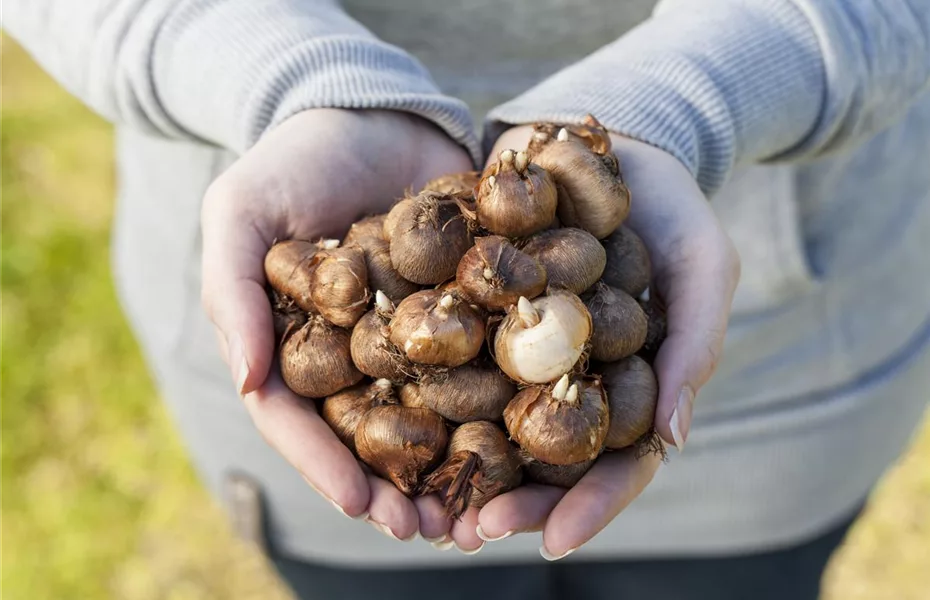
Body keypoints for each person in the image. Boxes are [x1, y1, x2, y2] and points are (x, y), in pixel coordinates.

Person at [6, 1, 929, 598]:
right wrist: (290, 86)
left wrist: (689, 101)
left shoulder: (536, 286)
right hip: (338, 484)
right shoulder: (387, 310)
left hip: (790, 404)